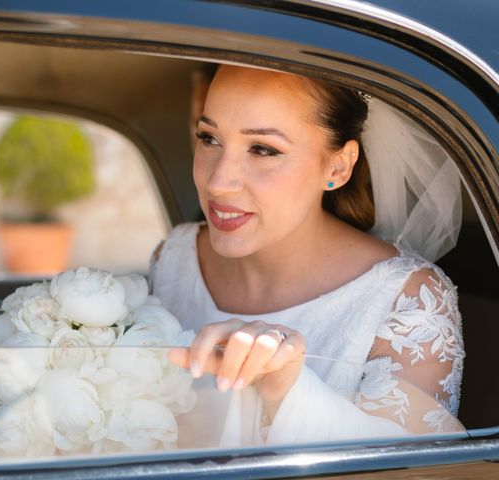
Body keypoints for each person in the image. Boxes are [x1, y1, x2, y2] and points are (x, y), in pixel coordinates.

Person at [151, 65, 465, 445]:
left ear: (338, 165)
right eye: (209, 138)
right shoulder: (173, 258)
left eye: (263, 149)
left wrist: (287, 390)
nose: (217, 182)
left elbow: (412, 467)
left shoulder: (408, 302)